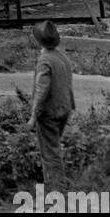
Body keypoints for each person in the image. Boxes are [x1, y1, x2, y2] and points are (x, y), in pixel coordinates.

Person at [27, 19, 75, 192]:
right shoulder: (62, 57)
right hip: (65, 109)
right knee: (54, 148)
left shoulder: (44, 60)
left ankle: (56, 192)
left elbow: (42, 89)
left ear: (38, 40)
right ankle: (57, 188)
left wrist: (33, 116)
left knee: (49, 153)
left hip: (50, 112)